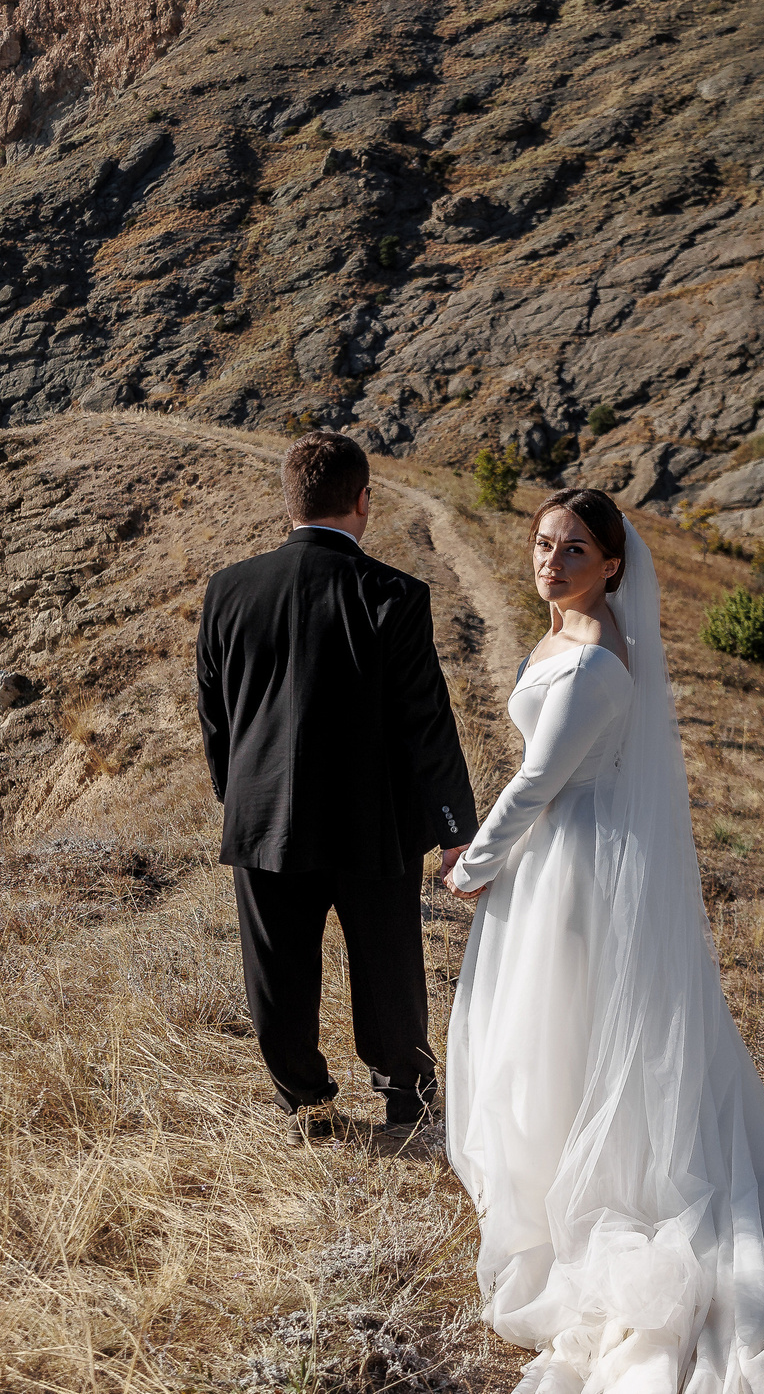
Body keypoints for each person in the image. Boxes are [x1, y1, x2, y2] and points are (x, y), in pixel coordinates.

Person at [443, 489, 764, 1394]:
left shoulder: (595, 661)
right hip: (557, 848)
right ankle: (548, 1152)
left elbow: (536, 782)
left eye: (574, 550)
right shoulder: (563, 634)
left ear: (612, 565)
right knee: (556, 1012)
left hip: (572, 853)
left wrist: (472, 866)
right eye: (543, 543)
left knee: (562, 1010)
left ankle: (581, 1176)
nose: (551, 561)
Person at [197, 431, 478, 1128]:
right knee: (388, 967)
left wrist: (238, 797)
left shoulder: (227, 589)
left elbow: (215, 713)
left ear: (288, 503)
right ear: (364, 501)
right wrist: (455, 829)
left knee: (277, 971)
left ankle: (304, 1102)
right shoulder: (396, 594)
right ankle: (406, 1100)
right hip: (372, 821)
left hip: (262, 819)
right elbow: (426, 723)